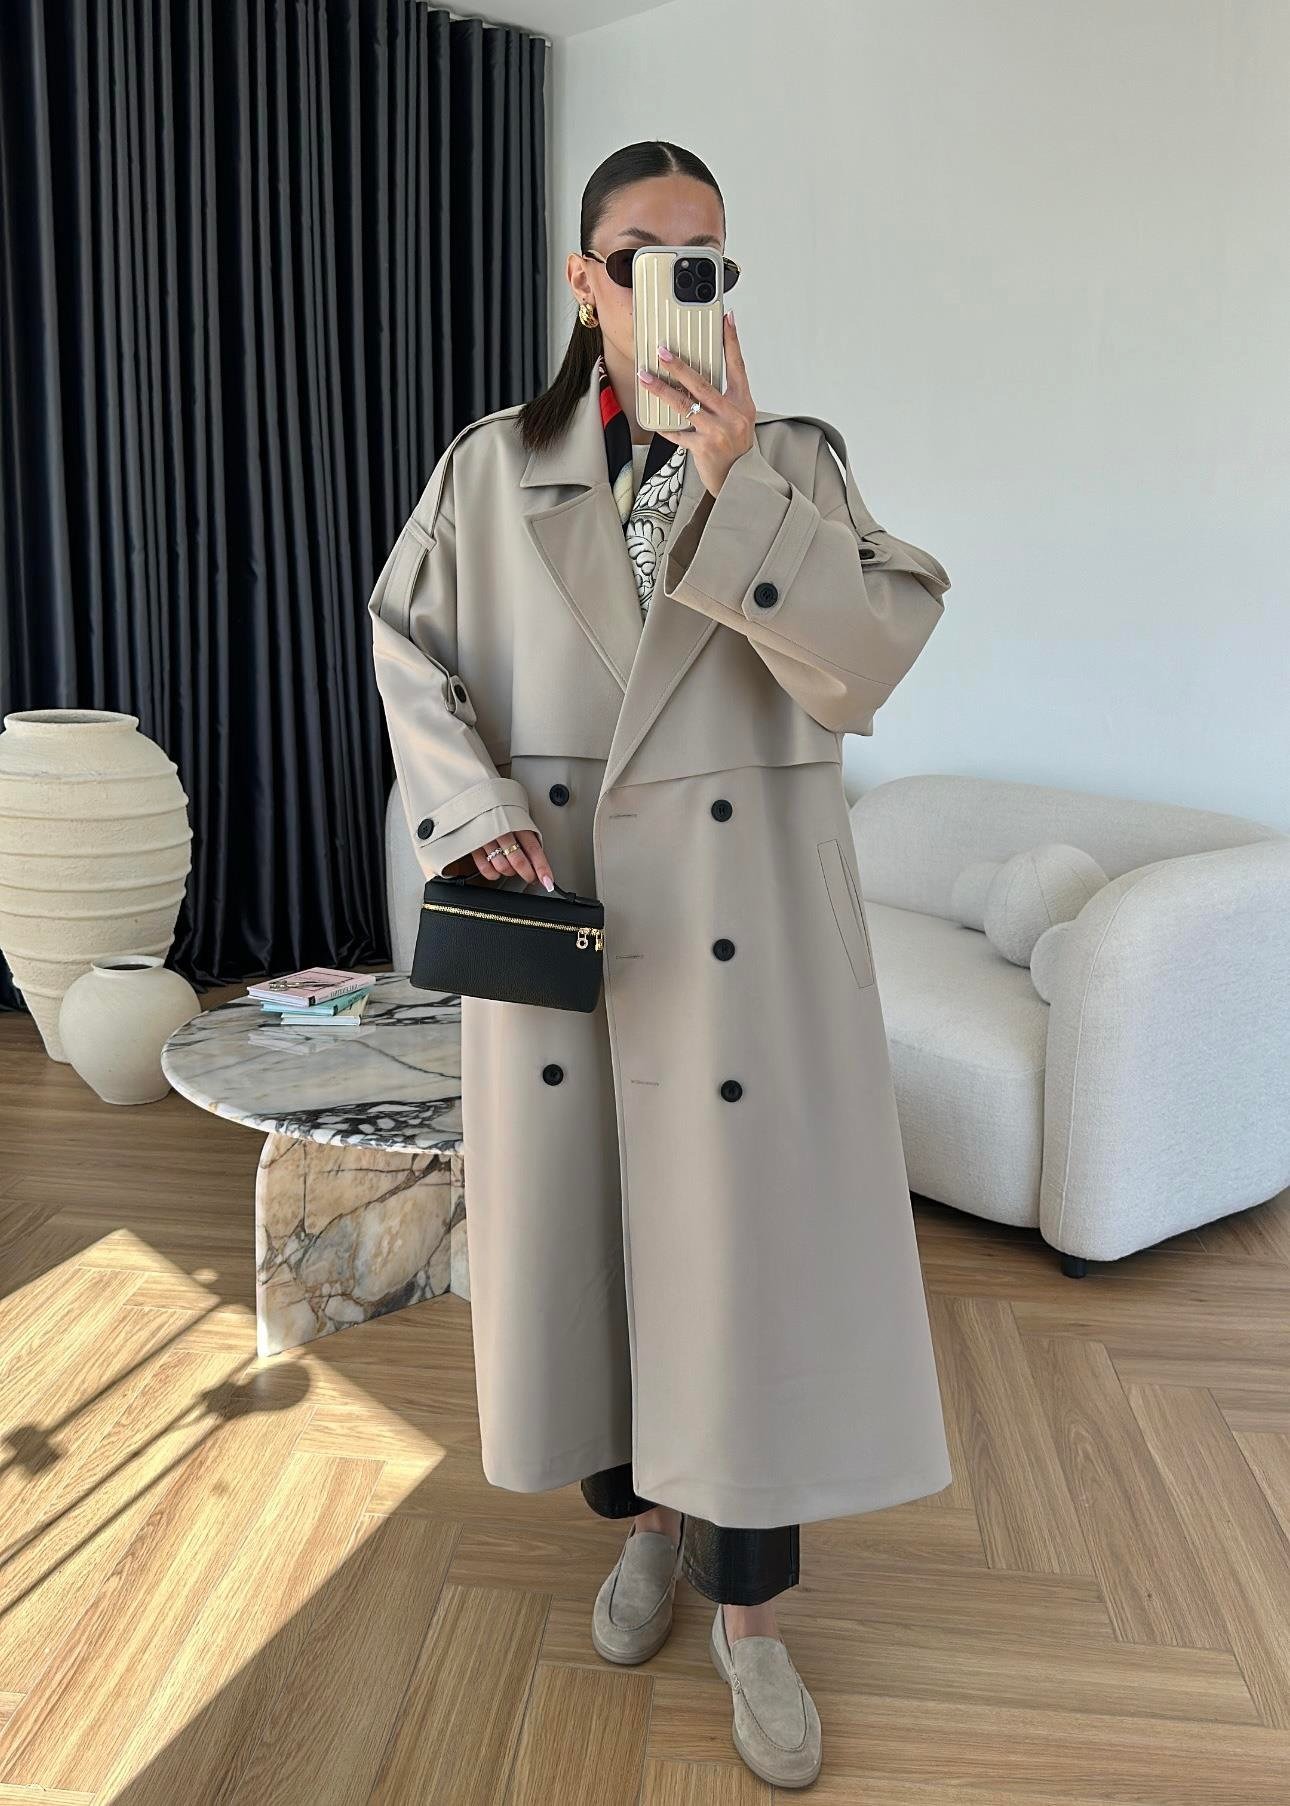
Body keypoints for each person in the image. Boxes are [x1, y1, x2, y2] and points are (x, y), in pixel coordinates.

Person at [367, 139, 954, 1791]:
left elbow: (866, 663)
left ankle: (749, 1619)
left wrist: (741, 478)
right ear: (585, 282)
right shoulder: (493, 466)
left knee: (743, 1270)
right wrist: (471, 806)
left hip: (743, 936)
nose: (677, 283)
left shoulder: (796, 461)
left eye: (708, 259)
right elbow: (406, 643)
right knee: (594, 1249)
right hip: (573, 916)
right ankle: (638, 1531)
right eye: (642, 254)